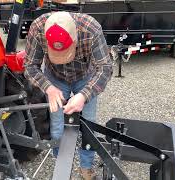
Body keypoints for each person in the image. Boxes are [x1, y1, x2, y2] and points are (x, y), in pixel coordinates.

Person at [24, 11, 113, 180]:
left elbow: (105, 68)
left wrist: (84, 95)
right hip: (54, 79)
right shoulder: (37, 29)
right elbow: (29, 65)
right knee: (57, 129)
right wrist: (48, 88)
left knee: (89, 127)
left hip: (85, 76)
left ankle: (86, 168)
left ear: (75, 37)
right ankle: (61, 167)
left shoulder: (90, 29)